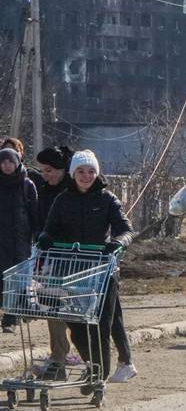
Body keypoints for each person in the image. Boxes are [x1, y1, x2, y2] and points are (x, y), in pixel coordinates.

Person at [39, 149, 136, 393]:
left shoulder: (107, 199)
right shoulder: (63, 200)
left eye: (91, 171)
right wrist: (45, 238)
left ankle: (98, 377)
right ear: (73, 174)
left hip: (102, 271)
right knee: (77, 325)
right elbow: (50, 229)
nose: (86, 175)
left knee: (101, 325)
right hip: (70, 271)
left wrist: (118, 242)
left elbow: (126, 229)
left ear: (97, 173)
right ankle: (92, 365)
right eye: (81, 171)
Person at [35, 146, 75, 379]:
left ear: (61, 169)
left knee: (74, 312)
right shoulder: (44, 190)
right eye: (42, 171)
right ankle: (58, 357)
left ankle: (78, 357)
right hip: (51, 258)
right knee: (52, 307)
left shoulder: (72, 191)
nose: (45, 175)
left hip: (76, 259)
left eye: (48, 170)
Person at [0, 148, 37, 333]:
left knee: (16, 280)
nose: (7, 166)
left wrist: (37, 235)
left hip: (21, 240)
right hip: (1, 240)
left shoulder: (27, 184)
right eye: (3, 162)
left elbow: (34, 213)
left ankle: (10, 319)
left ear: (17, 163)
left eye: (10, 162)